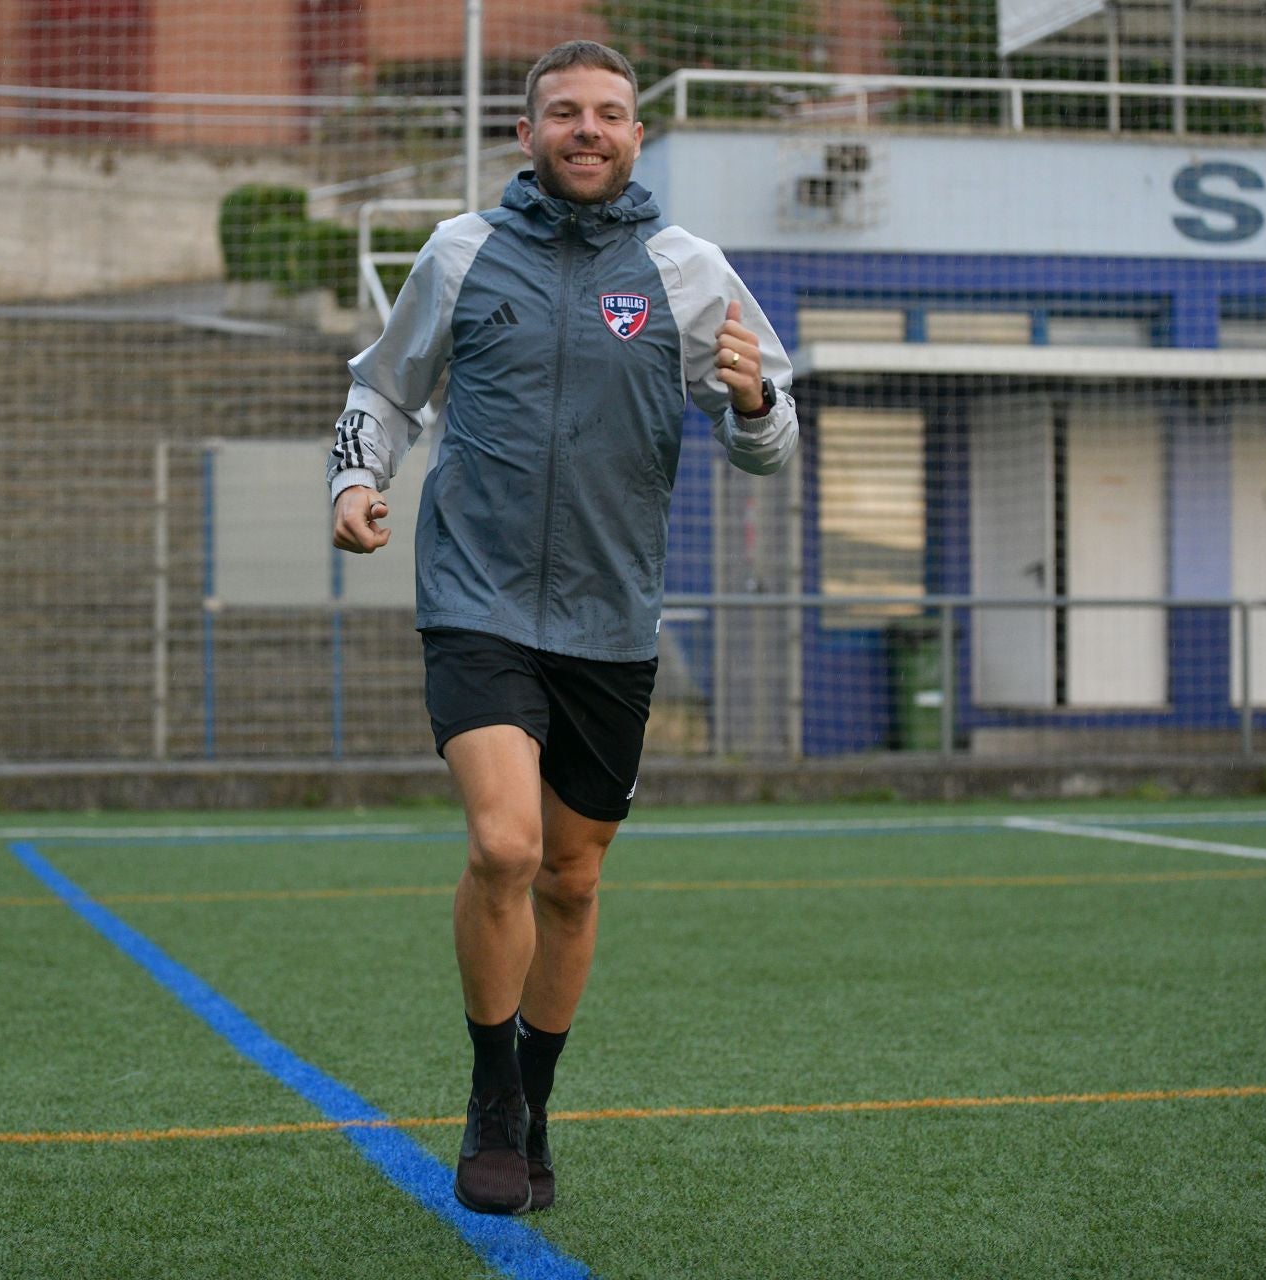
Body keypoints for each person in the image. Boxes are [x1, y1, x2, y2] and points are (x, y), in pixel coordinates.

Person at [326, 39, 798, 1216]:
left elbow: (773, 440)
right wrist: (352, 478)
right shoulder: (460, 252)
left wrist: (750, 397)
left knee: (574, 881)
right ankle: (490, 1098)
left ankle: (536, 1101)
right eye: (564, 113)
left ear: (638, 137)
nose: (588, 129)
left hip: (610, 618)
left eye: (611, 114)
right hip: (477, 598)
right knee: (505, 844)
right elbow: (384, 385)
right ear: (525, 136)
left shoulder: (689, 273)